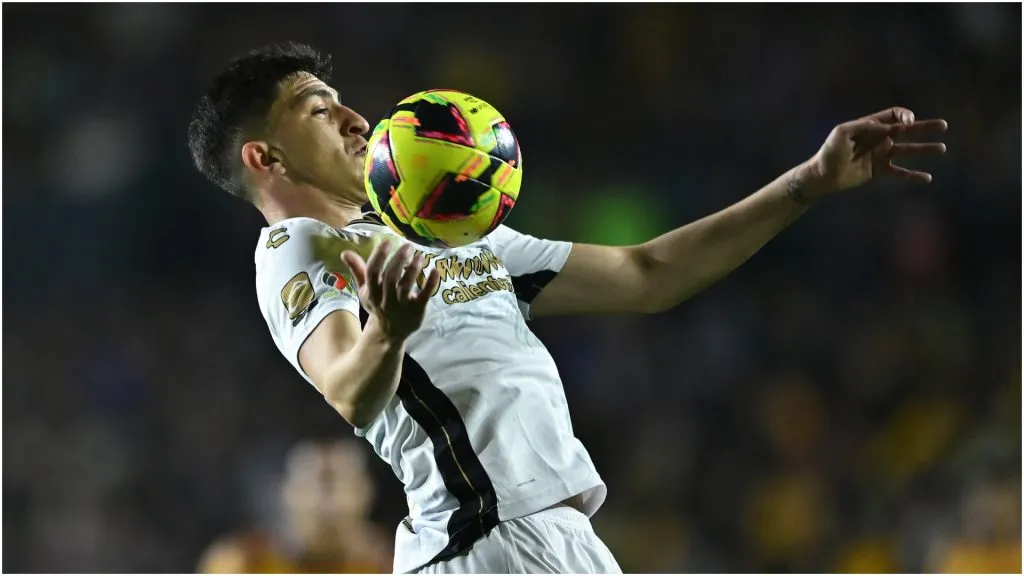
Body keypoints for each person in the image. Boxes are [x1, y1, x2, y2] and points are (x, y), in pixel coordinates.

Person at [187, 42, 946, 574]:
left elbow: (646, 274)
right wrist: (387, 329)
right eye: (319, 109)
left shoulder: (436, 228)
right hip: (490, 541)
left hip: (539, 537)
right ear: (265, 157)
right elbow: (347, 388)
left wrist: (806, 182)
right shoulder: (297, 246)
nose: (356, 118)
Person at [198, 439, 391, 573]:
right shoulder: (243, 562)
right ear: (287, 491)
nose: (324, 501)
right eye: (312, 483)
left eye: (336, 484)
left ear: (366, 491)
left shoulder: (391, 563)